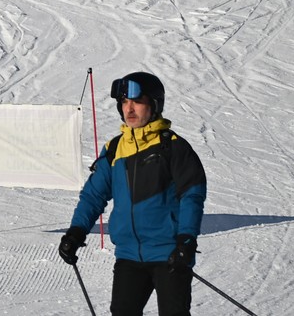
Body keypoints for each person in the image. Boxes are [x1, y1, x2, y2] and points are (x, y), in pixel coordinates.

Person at [58, 72, 206, 316]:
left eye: (136, 102)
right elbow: (93, 196)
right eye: (124, 103)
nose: (129, 109)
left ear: (154, 104)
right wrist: (76, 232)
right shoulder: (115, 149)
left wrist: (186, 239)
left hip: (169, 254)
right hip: (129, 256)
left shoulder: (173, 147)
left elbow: (192, 194)